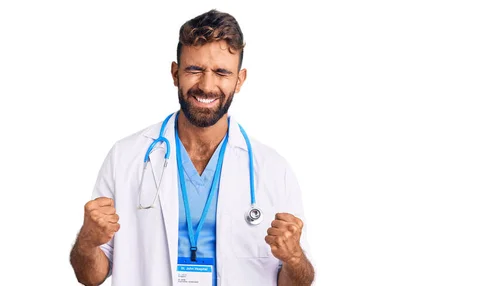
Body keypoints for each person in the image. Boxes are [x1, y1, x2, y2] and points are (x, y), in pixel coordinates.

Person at [69, 9, 315, 286]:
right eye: (194, 70)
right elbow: (90, 276)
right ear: (175, 73)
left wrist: (294, 258)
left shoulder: (272, 169)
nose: (207, 86)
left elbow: (297, 280)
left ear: (239, 80)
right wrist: (88, 241)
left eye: (222, 72)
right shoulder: (126, 157)